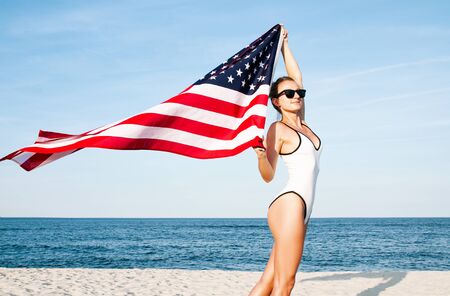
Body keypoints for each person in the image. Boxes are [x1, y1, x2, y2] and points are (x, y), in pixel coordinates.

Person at [248, 26, 323, 296]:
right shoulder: (277, 130)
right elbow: (268, 175)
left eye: (299, 94)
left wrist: (284, 47)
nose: (296, 97)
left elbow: (297, 77)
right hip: (290, 202)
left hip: (302, 207)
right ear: (277, 102)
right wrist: (260, 157)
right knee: (286, 283)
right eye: (288, 94)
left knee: (268, 282)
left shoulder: (305, 124)